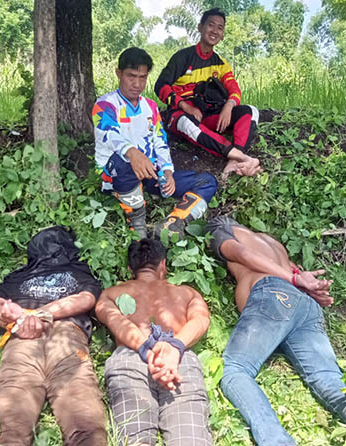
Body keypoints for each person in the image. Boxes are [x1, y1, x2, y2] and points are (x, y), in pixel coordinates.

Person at [205, 216, 346, 446]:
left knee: (234, 370)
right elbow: (296, 276)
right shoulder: (271, 243)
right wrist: (304, 283)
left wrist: (294, 278)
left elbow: (243, 255)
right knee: (328, 377)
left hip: (273, 296)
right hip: (304, 305)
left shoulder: (221, 230)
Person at [0, 226, 107, 446]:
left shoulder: (79, 271)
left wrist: (32, 315)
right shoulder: (17, 277)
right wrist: (0, 312)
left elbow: (86, 299)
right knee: (8, 426)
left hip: (64, 334)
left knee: (85, 423)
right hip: (25, 340)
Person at [95, 239, 212, 446]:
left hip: (129, 359)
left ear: (130, 269)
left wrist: (147, 349)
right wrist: (174, 348)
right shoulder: (187, 293)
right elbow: (201, 320)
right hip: (177, 362)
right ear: (163, 265)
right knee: (191, 440)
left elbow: (116, 321)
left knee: (135, 440)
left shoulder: (111, 294)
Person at [93, 47, 218, 239]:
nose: (137, 84)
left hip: (148, 172)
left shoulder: (150, 106)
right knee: (122, 161)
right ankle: (137, 220)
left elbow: (160, 140)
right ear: (119, 73)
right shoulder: (105, 104)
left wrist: (167, 171)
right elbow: (109, 135)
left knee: (207, 181)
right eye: (131, 76)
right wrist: (132, 153)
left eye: (142, 77)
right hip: (116, 174)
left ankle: (174, 222)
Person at [154, 8, 261, 178]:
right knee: (188, 124)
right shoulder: (182, 57)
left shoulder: (221, 63)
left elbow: (234, 89)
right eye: (211, 25)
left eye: (220, 27)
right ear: (200, 27)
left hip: (209, 113)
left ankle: (234, 159)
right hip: (181, 113)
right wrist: (186, 107)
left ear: (223, 34)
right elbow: (160, 86)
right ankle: (242, 158)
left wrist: (229, 105)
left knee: (251, 111)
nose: (215, 31)